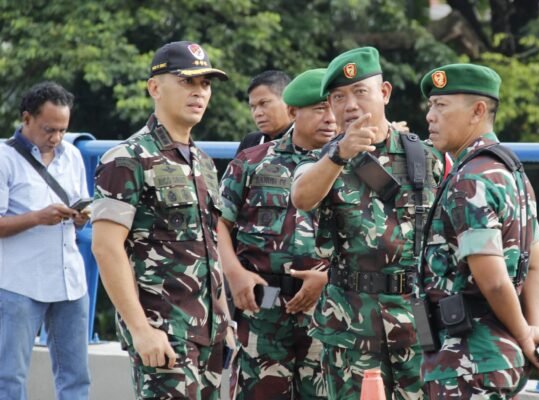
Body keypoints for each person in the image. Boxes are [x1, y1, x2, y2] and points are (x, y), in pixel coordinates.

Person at [291, 47, 446, 400]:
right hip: (352, 326)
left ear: (385, 93)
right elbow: (302, 197)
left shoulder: (425, 157)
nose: (349, 105)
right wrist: (340, 154)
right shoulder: (323, 160)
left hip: (416, 320)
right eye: (338, 97)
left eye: (360, 92)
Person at [91, 41, 234, 400]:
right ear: (155, 88)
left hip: (210, 335)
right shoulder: (127, 158)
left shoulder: (202, 163)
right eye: (187, 82)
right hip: (164, 334)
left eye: (206, 84)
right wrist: (140, 330)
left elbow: (209, 247)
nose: (199, 92)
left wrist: (225, 318)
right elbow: (106, 248)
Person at [417, 63, 539, 398]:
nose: (430, 116)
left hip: (469, 359)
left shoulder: (471, 179)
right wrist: (531, 331)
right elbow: (537, 260)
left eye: (441, 106)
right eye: (430, 106)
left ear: (478, 111)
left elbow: (493, 278)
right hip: (497, 355)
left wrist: (527, 337)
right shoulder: (508, 170)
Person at [218, 68, 335, 399]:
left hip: (328, 307)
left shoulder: (352, 165)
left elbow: (373, 239)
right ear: (295, 111)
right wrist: (235, 273)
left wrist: (328, 277)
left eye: (333, 108)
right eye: (319, 109)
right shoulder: (252, 161)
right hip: (264, 302)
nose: (329, 118)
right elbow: (219, 222)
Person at [0, 81, 90, 400]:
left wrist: (81, 216)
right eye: (49, 129)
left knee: (76, 378)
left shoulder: (73, 156)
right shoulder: (4, 158)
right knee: (9, 378)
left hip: (70, 280)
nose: (56, 138)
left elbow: (80, 203)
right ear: (27, 119)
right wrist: (38, 217)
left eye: (63, 130)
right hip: (19, 283)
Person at [235, 70, 293, 156]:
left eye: (264, 103)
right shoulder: (250, 142)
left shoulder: (305, 142)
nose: (257, 113)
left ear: (287, 101)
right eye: (253, 107)